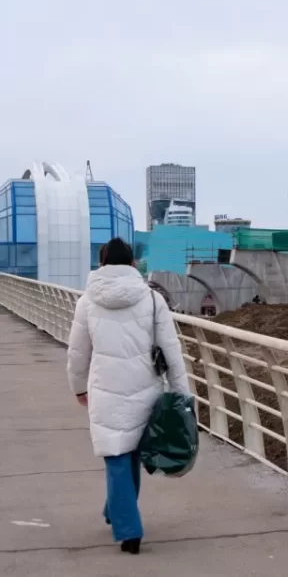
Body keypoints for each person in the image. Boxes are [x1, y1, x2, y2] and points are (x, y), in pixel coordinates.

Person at [66, 237, 190, 555]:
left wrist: (78, 387)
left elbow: (78, 353)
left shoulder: (87, 302)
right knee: (131, 453)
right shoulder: (151, 300)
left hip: (104, 389)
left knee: (118, 457)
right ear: (133, 264)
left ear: (101, 264)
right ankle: (119, 514)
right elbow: (171, 351)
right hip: (145, 388)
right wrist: (181, 393)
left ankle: (127, 529)